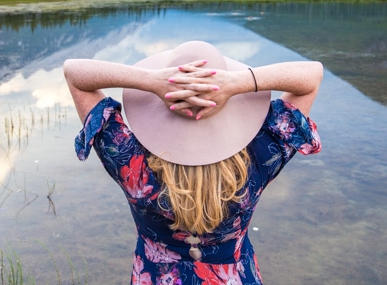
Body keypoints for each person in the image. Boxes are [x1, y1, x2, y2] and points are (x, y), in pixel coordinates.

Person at [64, 40, 323, 284]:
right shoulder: (261, 156)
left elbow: (75, 73)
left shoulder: (129, 162)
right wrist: (238, 82)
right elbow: (312, 76)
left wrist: (152, 80)